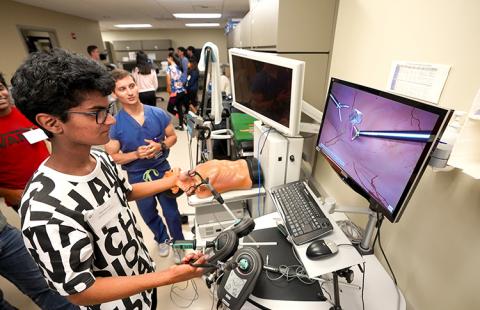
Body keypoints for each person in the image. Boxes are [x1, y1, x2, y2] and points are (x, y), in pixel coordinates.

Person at [11, 48, 206, 309]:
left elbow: (124, 193)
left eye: (109, 109)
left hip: (142, 284)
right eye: (97, 113)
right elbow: (80, 290)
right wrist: (167, 276)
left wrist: (173, 181)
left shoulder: (100, 160)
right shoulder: (44, 210)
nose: (111, 120)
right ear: (52, 123)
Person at [0, 72, 77, 310]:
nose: (0, 94)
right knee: (51, 236)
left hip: (56, 180)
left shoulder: (27, 113)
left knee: (77, 224)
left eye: (1, 87)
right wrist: (7, 192)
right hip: (24, 196)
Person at [105, 69, 184, 258]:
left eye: (131, 86)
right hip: (137, 176)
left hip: (162, 169)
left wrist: (161, 145)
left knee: (172, 211)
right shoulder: (114, 124)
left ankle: (180, 244)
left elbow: (172, 137)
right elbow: (113, 156)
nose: (130, 92)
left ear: (137, 86)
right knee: (148, 213)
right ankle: (162, 238)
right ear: (114, 94)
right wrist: (135, 154)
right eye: (122, 89)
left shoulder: (157, 113)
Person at [175, 158, 262, 199]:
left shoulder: (197, 168)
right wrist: (182, 182)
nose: (168, 171)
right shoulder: (201, 190)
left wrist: (185, 174)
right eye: (169, 173)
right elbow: (211, 177)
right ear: (174, 189)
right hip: (252, 176)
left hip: (247, 162)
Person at [165, 53, 188, 131]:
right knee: (179, 108)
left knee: (169, 108)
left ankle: (182, 117)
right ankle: (181, 125)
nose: (167, 60)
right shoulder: (179, 67)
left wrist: (169, 91)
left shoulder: (169, 68)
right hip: (181, 91)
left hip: (175, 92)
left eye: (168, 58)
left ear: (171, 58)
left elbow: (168, 81)